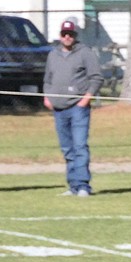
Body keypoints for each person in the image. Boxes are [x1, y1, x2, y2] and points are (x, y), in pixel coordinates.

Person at [43, 19, 104, 196]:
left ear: (75, 36)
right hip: (58, 109)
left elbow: (96, 78)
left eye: (71, 34)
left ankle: (83, 185)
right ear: (60, 35)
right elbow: (47, 79)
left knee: (79, 146)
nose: (67, 37)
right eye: (64, 34)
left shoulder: (85, 53)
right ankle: (73, 185)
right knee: (67, 149)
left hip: (78, 108)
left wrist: (86, 98)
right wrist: (47, 97)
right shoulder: (53, 54)